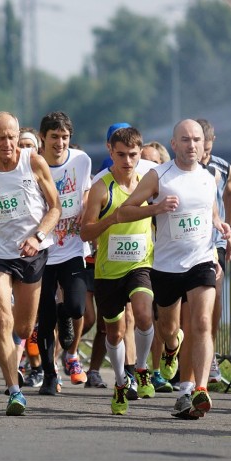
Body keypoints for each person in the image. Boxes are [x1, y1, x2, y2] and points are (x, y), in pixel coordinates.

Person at [118, 119, 231, 419]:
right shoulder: (159, 176)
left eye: (196, 139)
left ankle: (198, 389)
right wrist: (155, 208)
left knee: (203, 322)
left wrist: (221, 227)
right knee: (169, 330)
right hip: (167, 266)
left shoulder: (211, 175)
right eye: (185, 139)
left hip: (202, 260)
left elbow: (211, 211)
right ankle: (171, 348)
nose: (192, 145)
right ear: (174, 144)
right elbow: (124, 210)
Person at [0, 111, 60, 416]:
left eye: (12, 136)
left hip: (31, 252)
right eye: (1, 137)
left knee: (22, 326)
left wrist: (39, 235)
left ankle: (14, 350)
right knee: (3, 320)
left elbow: (55, 208)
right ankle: (15, 391)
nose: (7, 143)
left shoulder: (33, 162)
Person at [79, 127, 155, 414]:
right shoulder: (102, 186)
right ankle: (121, 382)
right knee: (114, 332)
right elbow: (86, 233)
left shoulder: (148, 183)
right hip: (108, 271)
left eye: (133, 155)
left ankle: (142, 367)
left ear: (140, 152)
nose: (127, 161)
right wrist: (111, 219)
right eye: (120, 154)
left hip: (140, 264)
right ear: (110, 151)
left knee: (145, 315)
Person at [34, 111, 92, 393]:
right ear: (42, 138)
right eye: (54, 137)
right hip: (42, 251)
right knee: (43, 318)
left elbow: (86, 192)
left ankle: (64, 312)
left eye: (65, 137)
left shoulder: (81, 160)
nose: (60, 143)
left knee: (77, 306)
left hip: (71, 247)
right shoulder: (32, 164)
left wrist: (86, 209)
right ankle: (49, 376)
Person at [196, 118, 231, 384]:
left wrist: (228, 226)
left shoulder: (222, 167)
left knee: (214, 298)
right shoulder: (180, 169)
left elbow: (230, 193)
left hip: (214, 243)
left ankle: (210, 360)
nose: (204, 155)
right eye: (201, 149)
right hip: (186, 244)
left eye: (208, 150)